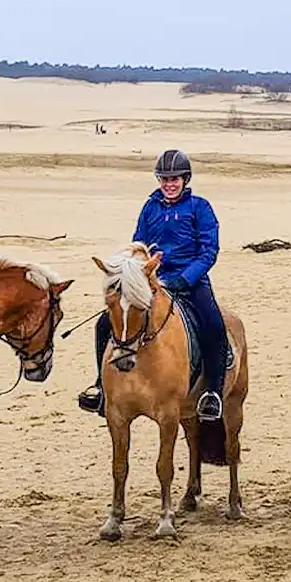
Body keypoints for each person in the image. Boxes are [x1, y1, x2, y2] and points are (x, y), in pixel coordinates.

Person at [77, 149, 230, 422]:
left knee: (214, 324)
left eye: (174, 179)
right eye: (164, 179)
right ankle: (101, 387)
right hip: (150, 279)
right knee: (104, 323)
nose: (169, 184)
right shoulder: (150, 207)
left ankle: (213, 392)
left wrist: (185, 278)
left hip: (189, 281)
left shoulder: (200, 207)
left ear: (185, 179)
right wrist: (140, 271)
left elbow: (208, 251)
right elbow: (138, 244)